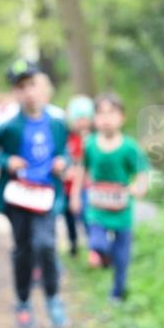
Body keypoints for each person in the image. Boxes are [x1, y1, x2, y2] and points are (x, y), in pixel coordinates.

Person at [0, 60, 70, 328]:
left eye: (32, 85)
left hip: (47, 196)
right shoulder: (7, 124)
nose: (28, 92)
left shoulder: (56, 122)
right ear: (15, 92)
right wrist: (6, 160)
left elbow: (66, 150)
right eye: (21, 87)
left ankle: (53, 298)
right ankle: (23, 301)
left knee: (46, 244)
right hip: (18, 197)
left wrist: (62, 161)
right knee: (23, 250)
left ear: (41, 87)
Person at [71, 93, 149, 302]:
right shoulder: (90, 145)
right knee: (98, 243)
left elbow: (142, 172)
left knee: (122, 256)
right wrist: (75, 195)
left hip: (121, 210)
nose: (106, 119)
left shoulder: (129, 147)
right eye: (101, 113)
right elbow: (81, 170)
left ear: (122, 117)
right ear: (95, 118)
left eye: (111, 113)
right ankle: (103, 256)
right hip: (97, 207)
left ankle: (117, 292)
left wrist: (138, 187)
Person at [64, 95, 94, 257]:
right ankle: (73, 243)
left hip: (86, 186)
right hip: (68, 186)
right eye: (78, 118)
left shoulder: (94, 139)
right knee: (69, 217)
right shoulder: (68, 139)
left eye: (85, 118)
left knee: (87, 217)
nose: (82, 122)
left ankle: (93, 248)